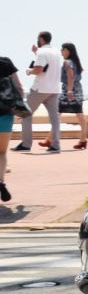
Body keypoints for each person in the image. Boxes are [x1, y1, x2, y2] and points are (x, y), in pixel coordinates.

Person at [17, 31, 61, 153]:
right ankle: (56, 145)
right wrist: (36, 52)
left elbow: (39, 70)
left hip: (40, 89)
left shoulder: (42, 52)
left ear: (41, 39)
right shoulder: (56, 52)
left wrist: (29, 71)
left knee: (24, 113)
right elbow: (48, 65)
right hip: (54, 90)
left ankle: (26, 144)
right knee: (55, 119)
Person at [0, 54, 21, 202]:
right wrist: (20, 110)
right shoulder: (6, 61)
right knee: (1, 152)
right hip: (6, 113)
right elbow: (18, 87)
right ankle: (0, 182)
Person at [59, 43, 88, 150]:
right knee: (80, 115)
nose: (61, 51)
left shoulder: (67, 62)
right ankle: (83, 140)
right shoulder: (76, 62)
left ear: (68, 51)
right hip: (78, 88)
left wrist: (69, 90)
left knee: (57, 113)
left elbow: (70, 76)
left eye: (63, 49)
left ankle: (50, 140)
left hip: (69, 90)